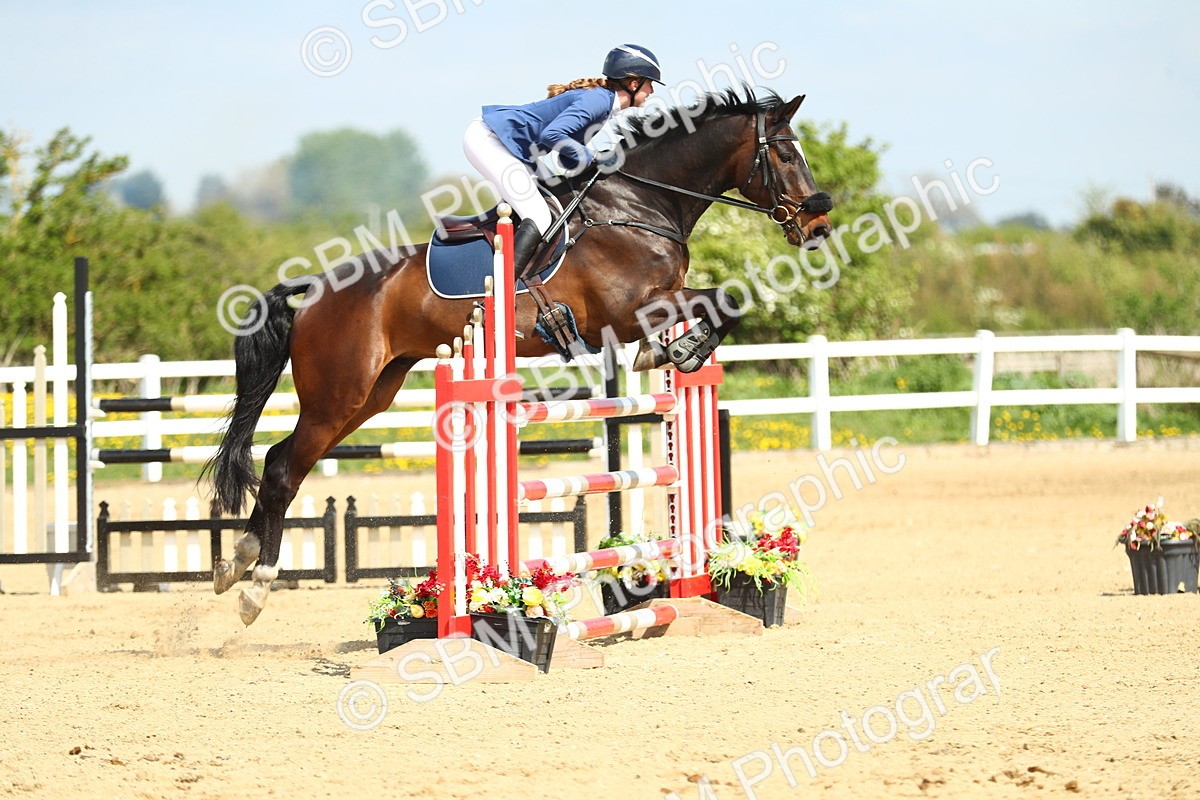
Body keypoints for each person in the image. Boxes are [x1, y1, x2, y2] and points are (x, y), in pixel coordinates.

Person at [463, 44, 663, 279]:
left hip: (513, 148)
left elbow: (564, 157)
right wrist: (594, 157)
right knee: (538, 215)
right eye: (649, 83)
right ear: (633, 83)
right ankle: (501, 292)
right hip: (489, 140)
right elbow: (553, 135)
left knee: (554, 200)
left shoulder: (604, 105)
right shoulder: (598, 102)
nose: (651, 91)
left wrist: (596, 162)